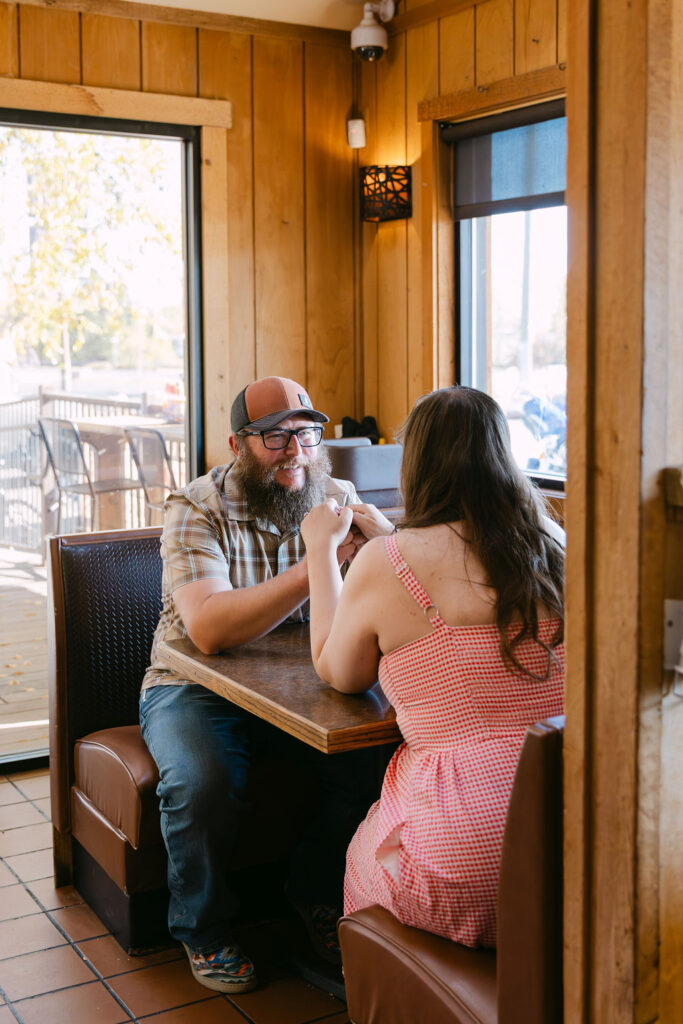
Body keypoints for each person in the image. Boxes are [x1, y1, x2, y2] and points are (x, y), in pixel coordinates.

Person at [139, 375, 389, 994]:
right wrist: (315, 566)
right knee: (201, 780)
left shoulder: (334, 494)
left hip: (306, 680)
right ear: (237, 444)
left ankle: (314, 891)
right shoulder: (195, 506)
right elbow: (208, 629)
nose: (297, 451)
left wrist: (385, 544)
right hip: (192, 684)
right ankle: (202, 927)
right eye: (276, 437)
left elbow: (380, 593)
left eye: (306, 433)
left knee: (377, 761)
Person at [301, 385, 566, 947]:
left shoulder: (385, 562)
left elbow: (337, 671)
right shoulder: (554, 544)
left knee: (360, 854)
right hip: (573, 834)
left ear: (414, 464)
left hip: (469, 850)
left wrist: (320, 551)